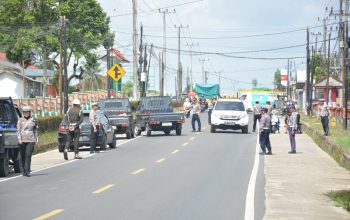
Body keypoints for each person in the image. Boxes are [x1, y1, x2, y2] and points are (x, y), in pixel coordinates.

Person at [17, 106, 38, 177]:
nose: (26, 113)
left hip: (31, 140)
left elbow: (35, 130)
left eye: (27, 112)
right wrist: (19, 139)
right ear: (23, 113)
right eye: (24, 112)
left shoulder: (33, 120)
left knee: (28, 155)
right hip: (22, 140)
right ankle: (24, 170)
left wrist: (36, 140)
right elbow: (18, 131)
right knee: (23, 156)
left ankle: (28, 171)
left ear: (29, 112)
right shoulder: (20, 120)